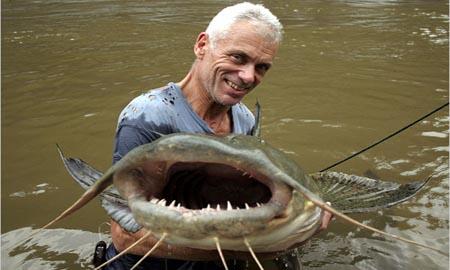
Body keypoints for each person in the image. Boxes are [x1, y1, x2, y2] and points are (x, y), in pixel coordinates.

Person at [102, 2, 333, 269]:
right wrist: (258, 250)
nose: (248, 76)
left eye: (262, 67)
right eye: (238, 58)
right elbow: (124, 236)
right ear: (202, 46)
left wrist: (302, 221)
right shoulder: (147, 116)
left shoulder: (244, 117)